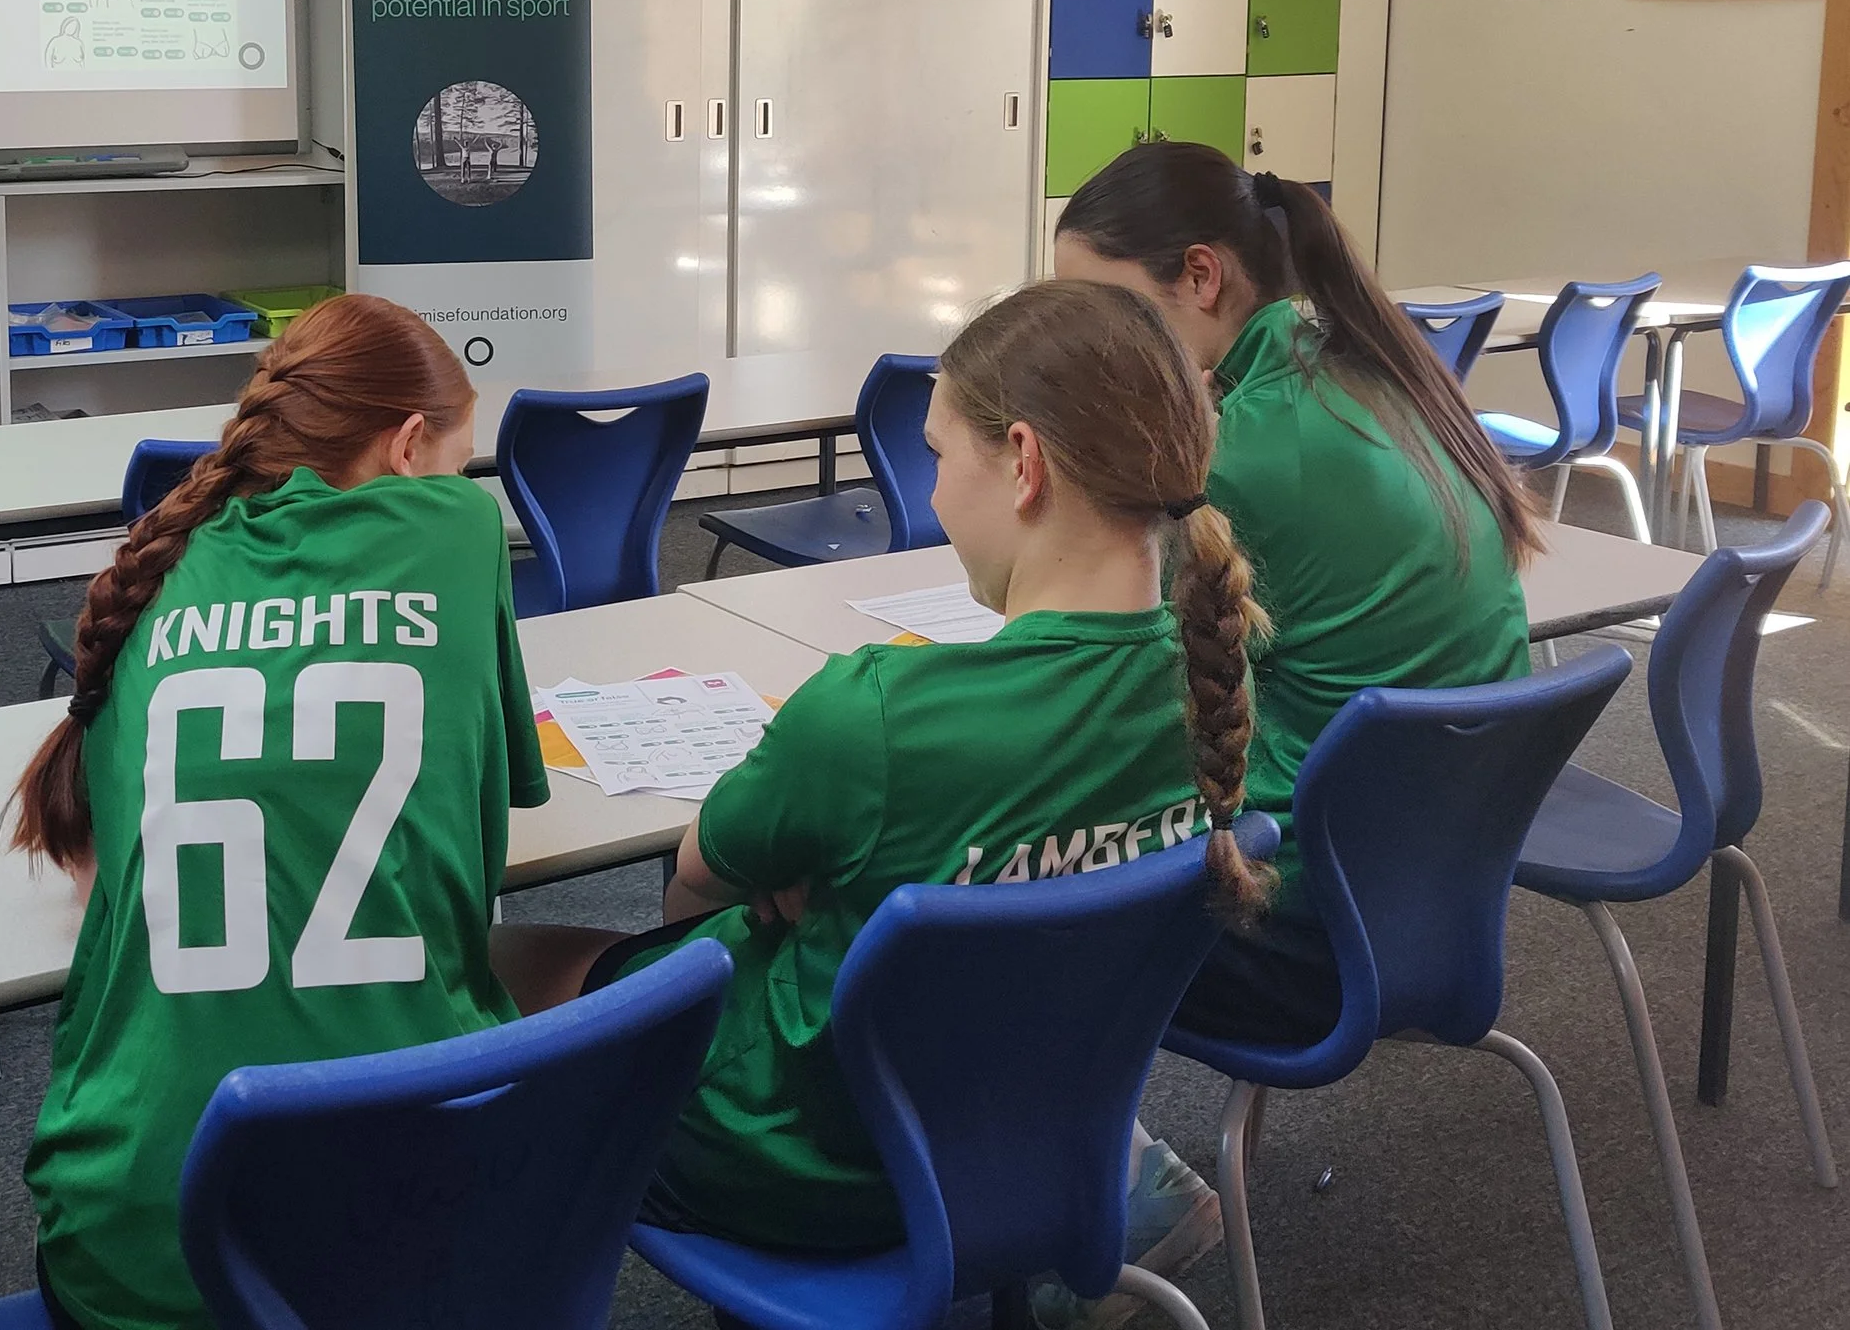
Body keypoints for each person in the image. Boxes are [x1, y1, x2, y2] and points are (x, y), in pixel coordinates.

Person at [491, 279, 1274, 1315]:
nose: (934, 493)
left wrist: (795, 892)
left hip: (809, 1167)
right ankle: (1115, 1181)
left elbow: (694, 888)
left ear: (1026, 463)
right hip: (1024, 1130)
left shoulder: (875, 711)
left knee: (491, 960)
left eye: (938, 456)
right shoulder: (1216, 685)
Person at [11, 293, 547, 1330]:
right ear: (404, 448)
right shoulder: (457, 526)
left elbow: (95, 868)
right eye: (455, 458)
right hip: (411, 1227)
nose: (462, 484)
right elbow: (502, 809)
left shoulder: (148, 574)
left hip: (135, 1239)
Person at [1053, 142, 1538, 1045]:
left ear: (1201, 276)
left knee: (976, 884)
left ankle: (1129, 1175)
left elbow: (1108, 692)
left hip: (1295, 925)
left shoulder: (1240, 456)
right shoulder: (1382, 377)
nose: (1093, 342)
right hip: (1432, 897)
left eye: (1103, 308)